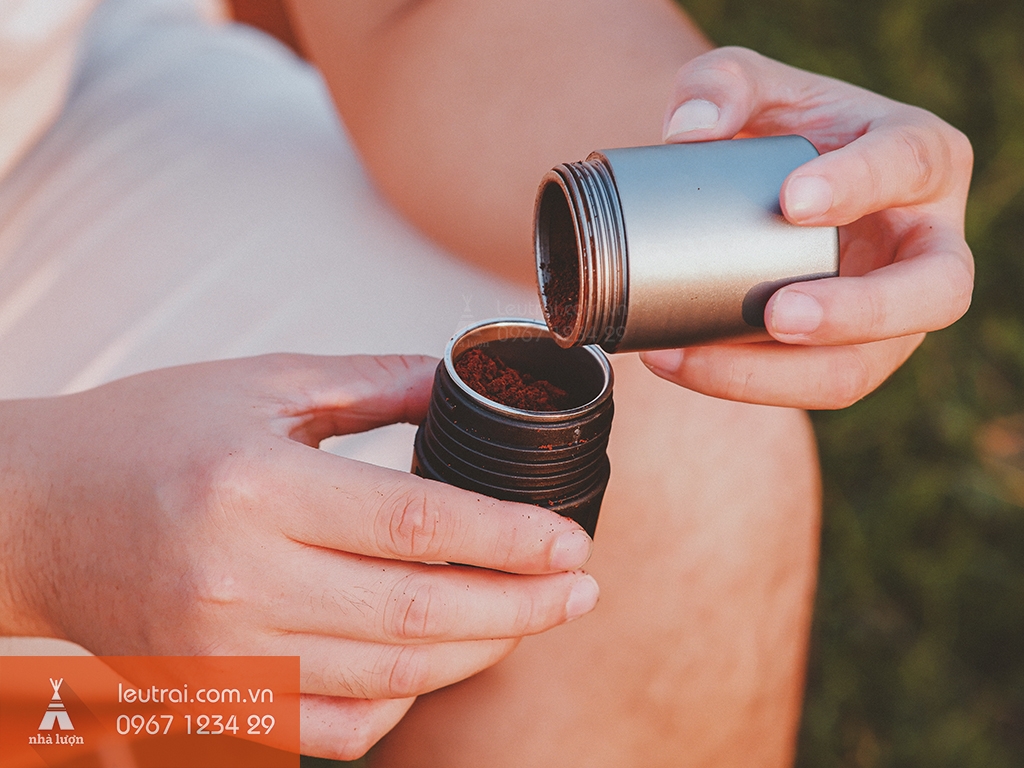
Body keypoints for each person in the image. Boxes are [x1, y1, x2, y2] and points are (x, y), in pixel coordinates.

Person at [0, 0, 972, 765]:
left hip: (48, 114)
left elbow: (416, 11)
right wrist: (36, 531)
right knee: (67, 717)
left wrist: (728, 192)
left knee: (674, 454)